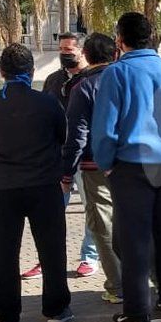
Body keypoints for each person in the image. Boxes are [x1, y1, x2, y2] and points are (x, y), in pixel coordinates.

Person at [92, 11, 161, 322]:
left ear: (119, 40)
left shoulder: (116, 73)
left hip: (131, 164)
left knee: (134, 240)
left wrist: (107, 166)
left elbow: (105, 129)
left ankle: (136, 312)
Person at [0, 44, 73, 322]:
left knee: (4, 252)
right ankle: (56, 309)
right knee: (52, 249)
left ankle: (7, 315)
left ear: (1, 72)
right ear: (31, 72)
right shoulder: (47, 103)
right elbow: (62, 136)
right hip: (43, 185)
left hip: (2, 187)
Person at [25, 31, 95, 281]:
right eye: (62, 49)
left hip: (86, 157)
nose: (65, 54)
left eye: (70, 50)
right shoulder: (53, 80)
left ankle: (90, 256)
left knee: (92, 209)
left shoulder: (92, 79)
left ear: (82, 51)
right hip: (57, 156)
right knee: (52, 211)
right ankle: (48, 259)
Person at [61, 33, 123, 304]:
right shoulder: (128, 80)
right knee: (134, 220)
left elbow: (77, 136)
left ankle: (118, 285)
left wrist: (66, 173)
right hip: (132, 163)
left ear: (85, 53)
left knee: (102, 225)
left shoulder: (83, 87)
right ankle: (149, 279)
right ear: (116, 53)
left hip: (95, 166)